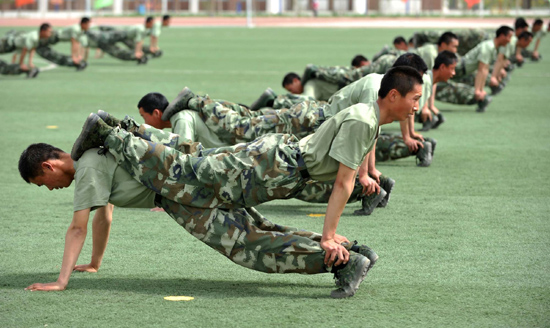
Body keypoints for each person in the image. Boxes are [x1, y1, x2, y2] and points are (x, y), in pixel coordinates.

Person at [68, 66, 423, 267]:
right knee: (193, 169)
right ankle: (110, 133)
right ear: (393, 96)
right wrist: (329, 235)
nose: (417, 108)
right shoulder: (364, 119)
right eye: (415, 99)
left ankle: (123, 131)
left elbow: (349, 177)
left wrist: (332, 231)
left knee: (228, 200)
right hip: (277, 165)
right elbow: (344, 184)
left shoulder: (369, 120)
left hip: (282, 167)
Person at [18, 143, 375, 298]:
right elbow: (103, 216)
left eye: (41, 183)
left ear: (49, 166)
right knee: (262, 229)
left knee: (250, 246)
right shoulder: (94, 158)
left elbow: (78, 225)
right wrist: (95, 263)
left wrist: (61, 281)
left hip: (183, 198)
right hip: (195, 184)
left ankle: (342, 263)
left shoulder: (85, 170)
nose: (49, 189)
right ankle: (351, 250)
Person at [140, 92, 391, 215]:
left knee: (248, 126)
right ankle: (366, 189)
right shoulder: (368, 117)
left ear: (156, 113)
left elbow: (178, 153)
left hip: (252, 145)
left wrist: (168, 192)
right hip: (269, 140)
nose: (149, 122)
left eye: (145, 117)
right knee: (308, 181)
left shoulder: (181, 118)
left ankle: (362, 188)